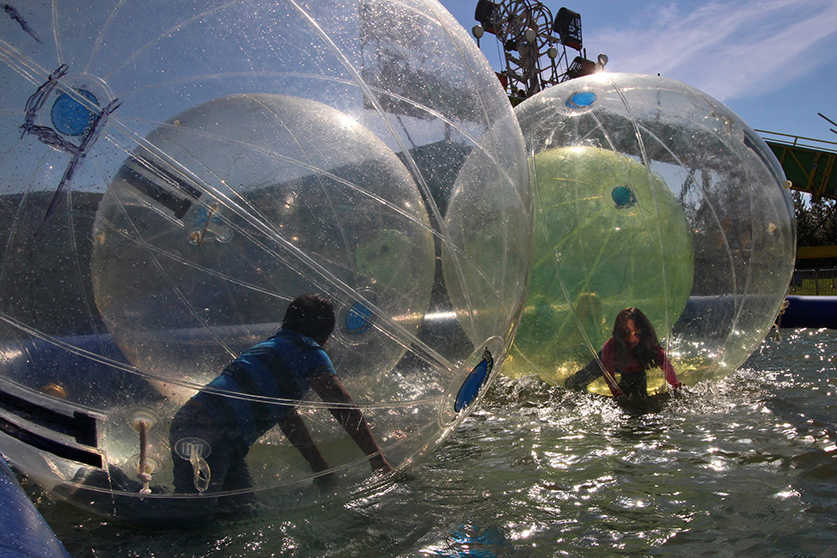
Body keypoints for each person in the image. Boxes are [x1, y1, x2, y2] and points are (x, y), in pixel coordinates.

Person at [170, 294, 392, 496]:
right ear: (325, 333)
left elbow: (287, 418)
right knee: (196, 515)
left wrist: (319, 467)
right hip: (208, 432)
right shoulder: (310, 354)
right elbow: (344, 408)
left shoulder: (272, 348)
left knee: (239, 511)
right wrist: (379, 461)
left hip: (204, 428)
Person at [564, 307, 681, 402]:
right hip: (608, 362)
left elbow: (665, 364)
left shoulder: (647, 343)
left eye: (637, 333)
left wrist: (675, 385)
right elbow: (608, 374)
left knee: (639, 399)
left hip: (632, 369)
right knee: (580, 381)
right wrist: (617, 394)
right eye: (627, 333)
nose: (632, 338)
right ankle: (572, 382)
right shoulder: (611, 346)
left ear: (643, 330)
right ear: (620, 332)